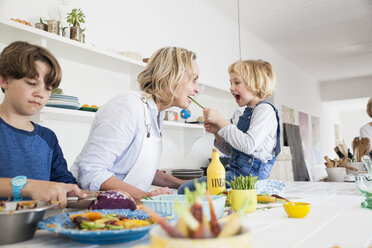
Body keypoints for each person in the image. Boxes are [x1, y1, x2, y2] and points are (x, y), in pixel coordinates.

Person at [72, 47, 200, 201]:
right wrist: (146, 196)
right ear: (173, 75)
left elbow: (138, 168)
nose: (197, 89)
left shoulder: (156, 113)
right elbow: (91, 172)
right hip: (93, 211)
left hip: (124, 209)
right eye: (194, 79)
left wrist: (181, 184)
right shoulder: (127, 106)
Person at [0, 41, 86, 207]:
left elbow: (66, 185)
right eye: (32, 83)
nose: (40, 93)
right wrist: (28, 186)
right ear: (4, 80)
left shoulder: (47, 137)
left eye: (48, 88)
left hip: (39, 228)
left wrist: (107, 196)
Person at [178, 59, 281, 193]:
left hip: (248, 178)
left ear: (256, 84)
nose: (231, 88)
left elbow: (248, 145)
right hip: (236, 174)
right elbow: (235, 152)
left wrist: (222, 122)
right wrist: (218, 132)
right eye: (230, 83)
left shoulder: (264, 110)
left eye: (237, 82)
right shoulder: (246, 113)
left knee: (186, 190)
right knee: (189, 188)